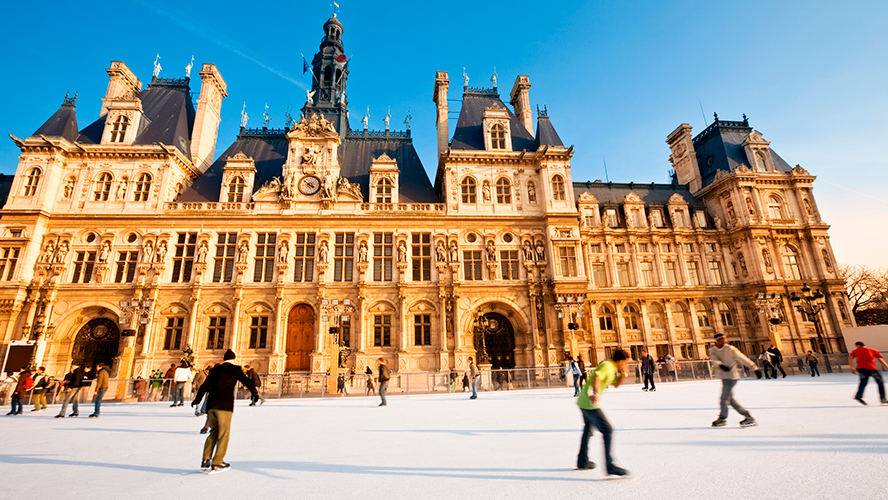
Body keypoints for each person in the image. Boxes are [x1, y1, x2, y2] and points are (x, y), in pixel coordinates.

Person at [191, 349, 258, 473]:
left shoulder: (214, 370)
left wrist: (197, 400)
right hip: (224, 406)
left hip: (211, 405)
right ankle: (217, 461)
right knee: (224, 433)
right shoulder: (236, 369)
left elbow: (205, 386)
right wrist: (255, 393)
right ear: (234, 359)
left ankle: (205, 459)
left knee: (213, 432)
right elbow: (247, 382)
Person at [575, 349, 630, 476]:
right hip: (589, 401)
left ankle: (582, 461)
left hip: (584, 400)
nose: (626, 365)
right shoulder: (608, 366)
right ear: (621, 361)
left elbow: (615, 384)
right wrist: (595, 393)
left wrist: (623, 374)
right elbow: (597, 377)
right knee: (607, 430)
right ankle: (610, 465)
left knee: (588, 429)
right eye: (625, 363)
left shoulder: (611, 367)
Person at [709, 333, 762, 427]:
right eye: (722, 339)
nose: (724, 341)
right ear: (717, 340)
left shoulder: (730, 349)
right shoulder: (713, 350)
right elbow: (714, 360)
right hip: (724, 377)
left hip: (732, 377)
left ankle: (722, 418)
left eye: (725, 339)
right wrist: (721, 365)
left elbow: (742, 358)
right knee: (730, 400)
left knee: (724, 399)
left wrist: (754, 368)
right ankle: (748, 416)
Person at [849, 341, 888, 405]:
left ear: (858, 345)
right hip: (871, 368)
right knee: (880, 382)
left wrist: (852, 367)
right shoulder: (872, 350)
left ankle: (859, 395)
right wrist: (887, 367)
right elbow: (880, 359)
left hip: (861, 369)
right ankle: (883, 399)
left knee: (863, 382)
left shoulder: (855, 351)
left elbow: (850, 358)